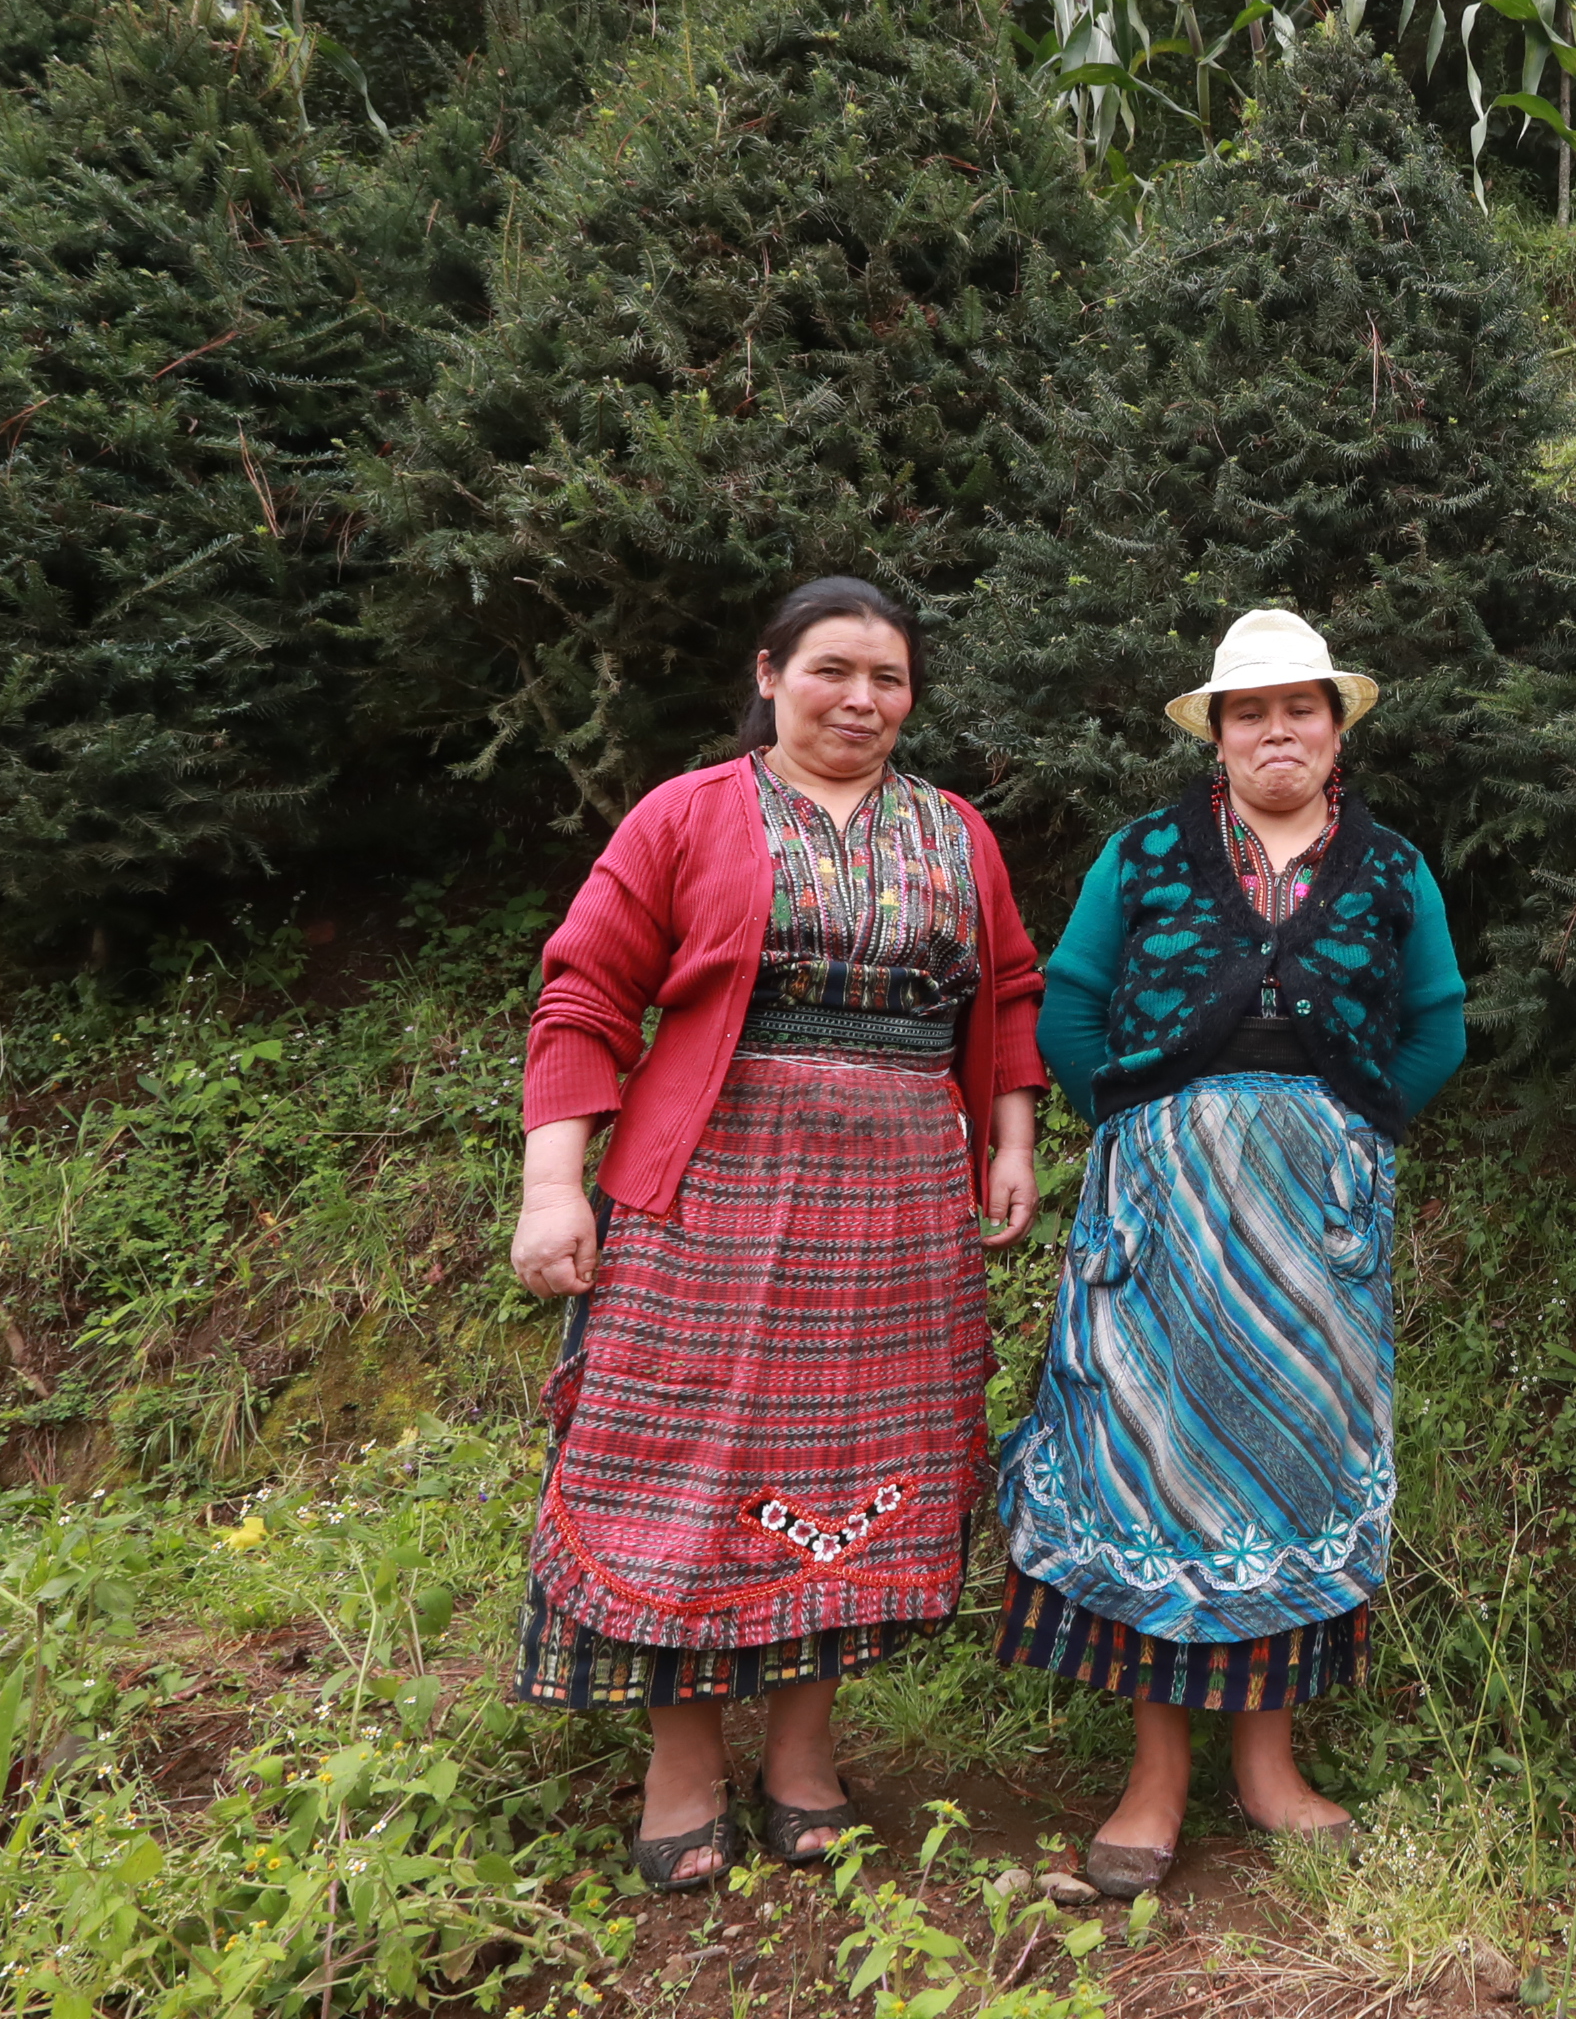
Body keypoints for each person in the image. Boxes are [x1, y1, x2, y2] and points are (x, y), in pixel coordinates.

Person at [507, 577, 1048, 1893]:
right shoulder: (686, 817)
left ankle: (805, 1759)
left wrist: (1014, 1142)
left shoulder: (957, 831)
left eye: (890, 679)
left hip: (903, 1217)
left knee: (865, 1469)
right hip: (711, 1202)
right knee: (678, 1468)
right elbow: (585, 994)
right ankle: (682, 1766)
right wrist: (552, 1183)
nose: (863, 699)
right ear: (770, 673)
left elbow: (1013, 992)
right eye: (834, 671)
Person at [994, 609, 1468, 1900]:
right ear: (1216, 730)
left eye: (1300, 709)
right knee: (1145, 1463)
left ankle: (1269, 1771)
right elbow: (1073, 1005)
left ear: (1335, 726)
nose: (1277, 730)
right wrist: (1137, 1127)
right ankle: (1151, 1786)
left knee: (1289, 1465)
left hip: (1316, 1230)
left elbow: (1436, 1026)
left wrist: (1355, 1134)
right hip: (1159, 1218)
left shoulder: (1391, 866)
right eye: (1249, 711)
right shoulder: (1146, 853)